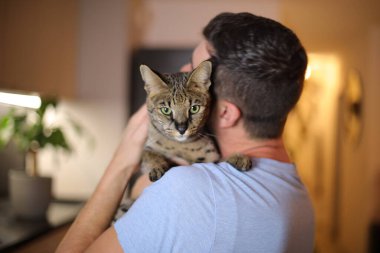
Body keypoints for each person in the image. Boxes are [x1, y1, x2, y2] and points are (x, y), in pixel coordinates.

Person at [56, 12, 314, 253]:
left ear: (226, 113)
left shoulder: (185, 192)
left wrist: (121, 163)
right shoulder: (300, 199)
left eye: (193, 70)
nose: (181, 73)